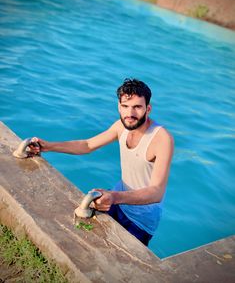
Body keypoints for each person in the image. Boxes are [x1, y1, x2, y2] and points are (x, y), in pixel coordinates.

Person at [30, 78, 174, 246]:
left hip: (141, 219)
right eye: (125, 106)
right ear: (119, 106)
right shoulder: (122, 126)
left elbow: (156, 192)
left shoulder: (162, 139)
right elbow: (88, 145)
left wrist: (114, 197)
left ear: (147, 109)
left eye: (137, 107)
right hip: (117, 198)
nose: (130, 114)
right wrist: (47, 146)